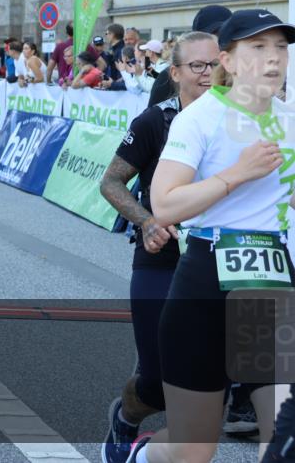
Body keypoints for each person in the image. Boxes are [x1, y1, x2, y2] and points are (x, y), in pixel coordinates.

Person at [127, 9, 295, 463]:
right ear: (231, 60)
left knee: (285, 439)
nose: (274, 58)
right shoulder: (199, 118)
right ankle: (142, 456)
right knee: (193, 451)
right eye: (258, 48)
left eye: (280, 47)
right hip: (205, 277)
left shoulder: (291, 119)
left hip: (268, 286)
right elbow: (165, 204)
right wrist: (237, 174)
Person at [98, 31, 220, 463]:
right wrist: (146, 220)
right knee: (155, 380)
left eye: (215, 64)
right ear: (176, 72)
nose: (209, 74)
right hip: (160, 257)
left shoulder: (241, 124)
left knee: (209, 380)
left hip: (216, 261)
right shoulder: (155, 121)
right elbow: (111, 182)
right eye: (197, 66)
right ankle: (126, 419)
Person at [149, 6, 231, 107]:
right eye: (197, 66)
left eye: (225, 34)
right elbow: (153, 118)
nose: (218, 42)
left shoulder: (238, 72)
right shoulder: (169, 78)